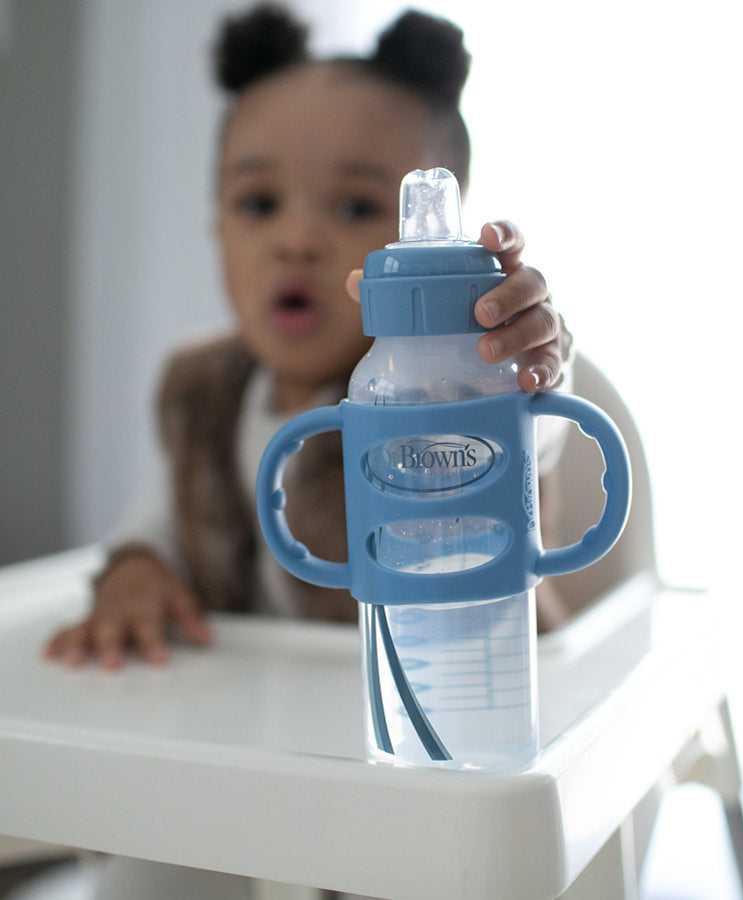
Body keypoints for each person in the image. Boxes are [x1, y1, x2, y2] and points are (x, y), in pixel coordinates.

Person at [44, 3, 574, 673]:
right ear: (218, 232)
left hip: (452, 706)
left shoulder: (445, 384)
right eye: (259, 204)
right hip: (268, 723)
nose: (295, 241)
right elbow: (155, 526)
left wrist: (524, 360)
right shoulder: (204, 392)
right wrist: (137, 571)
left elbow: (529, 432)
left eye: (355, 206)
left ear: (430, 240)